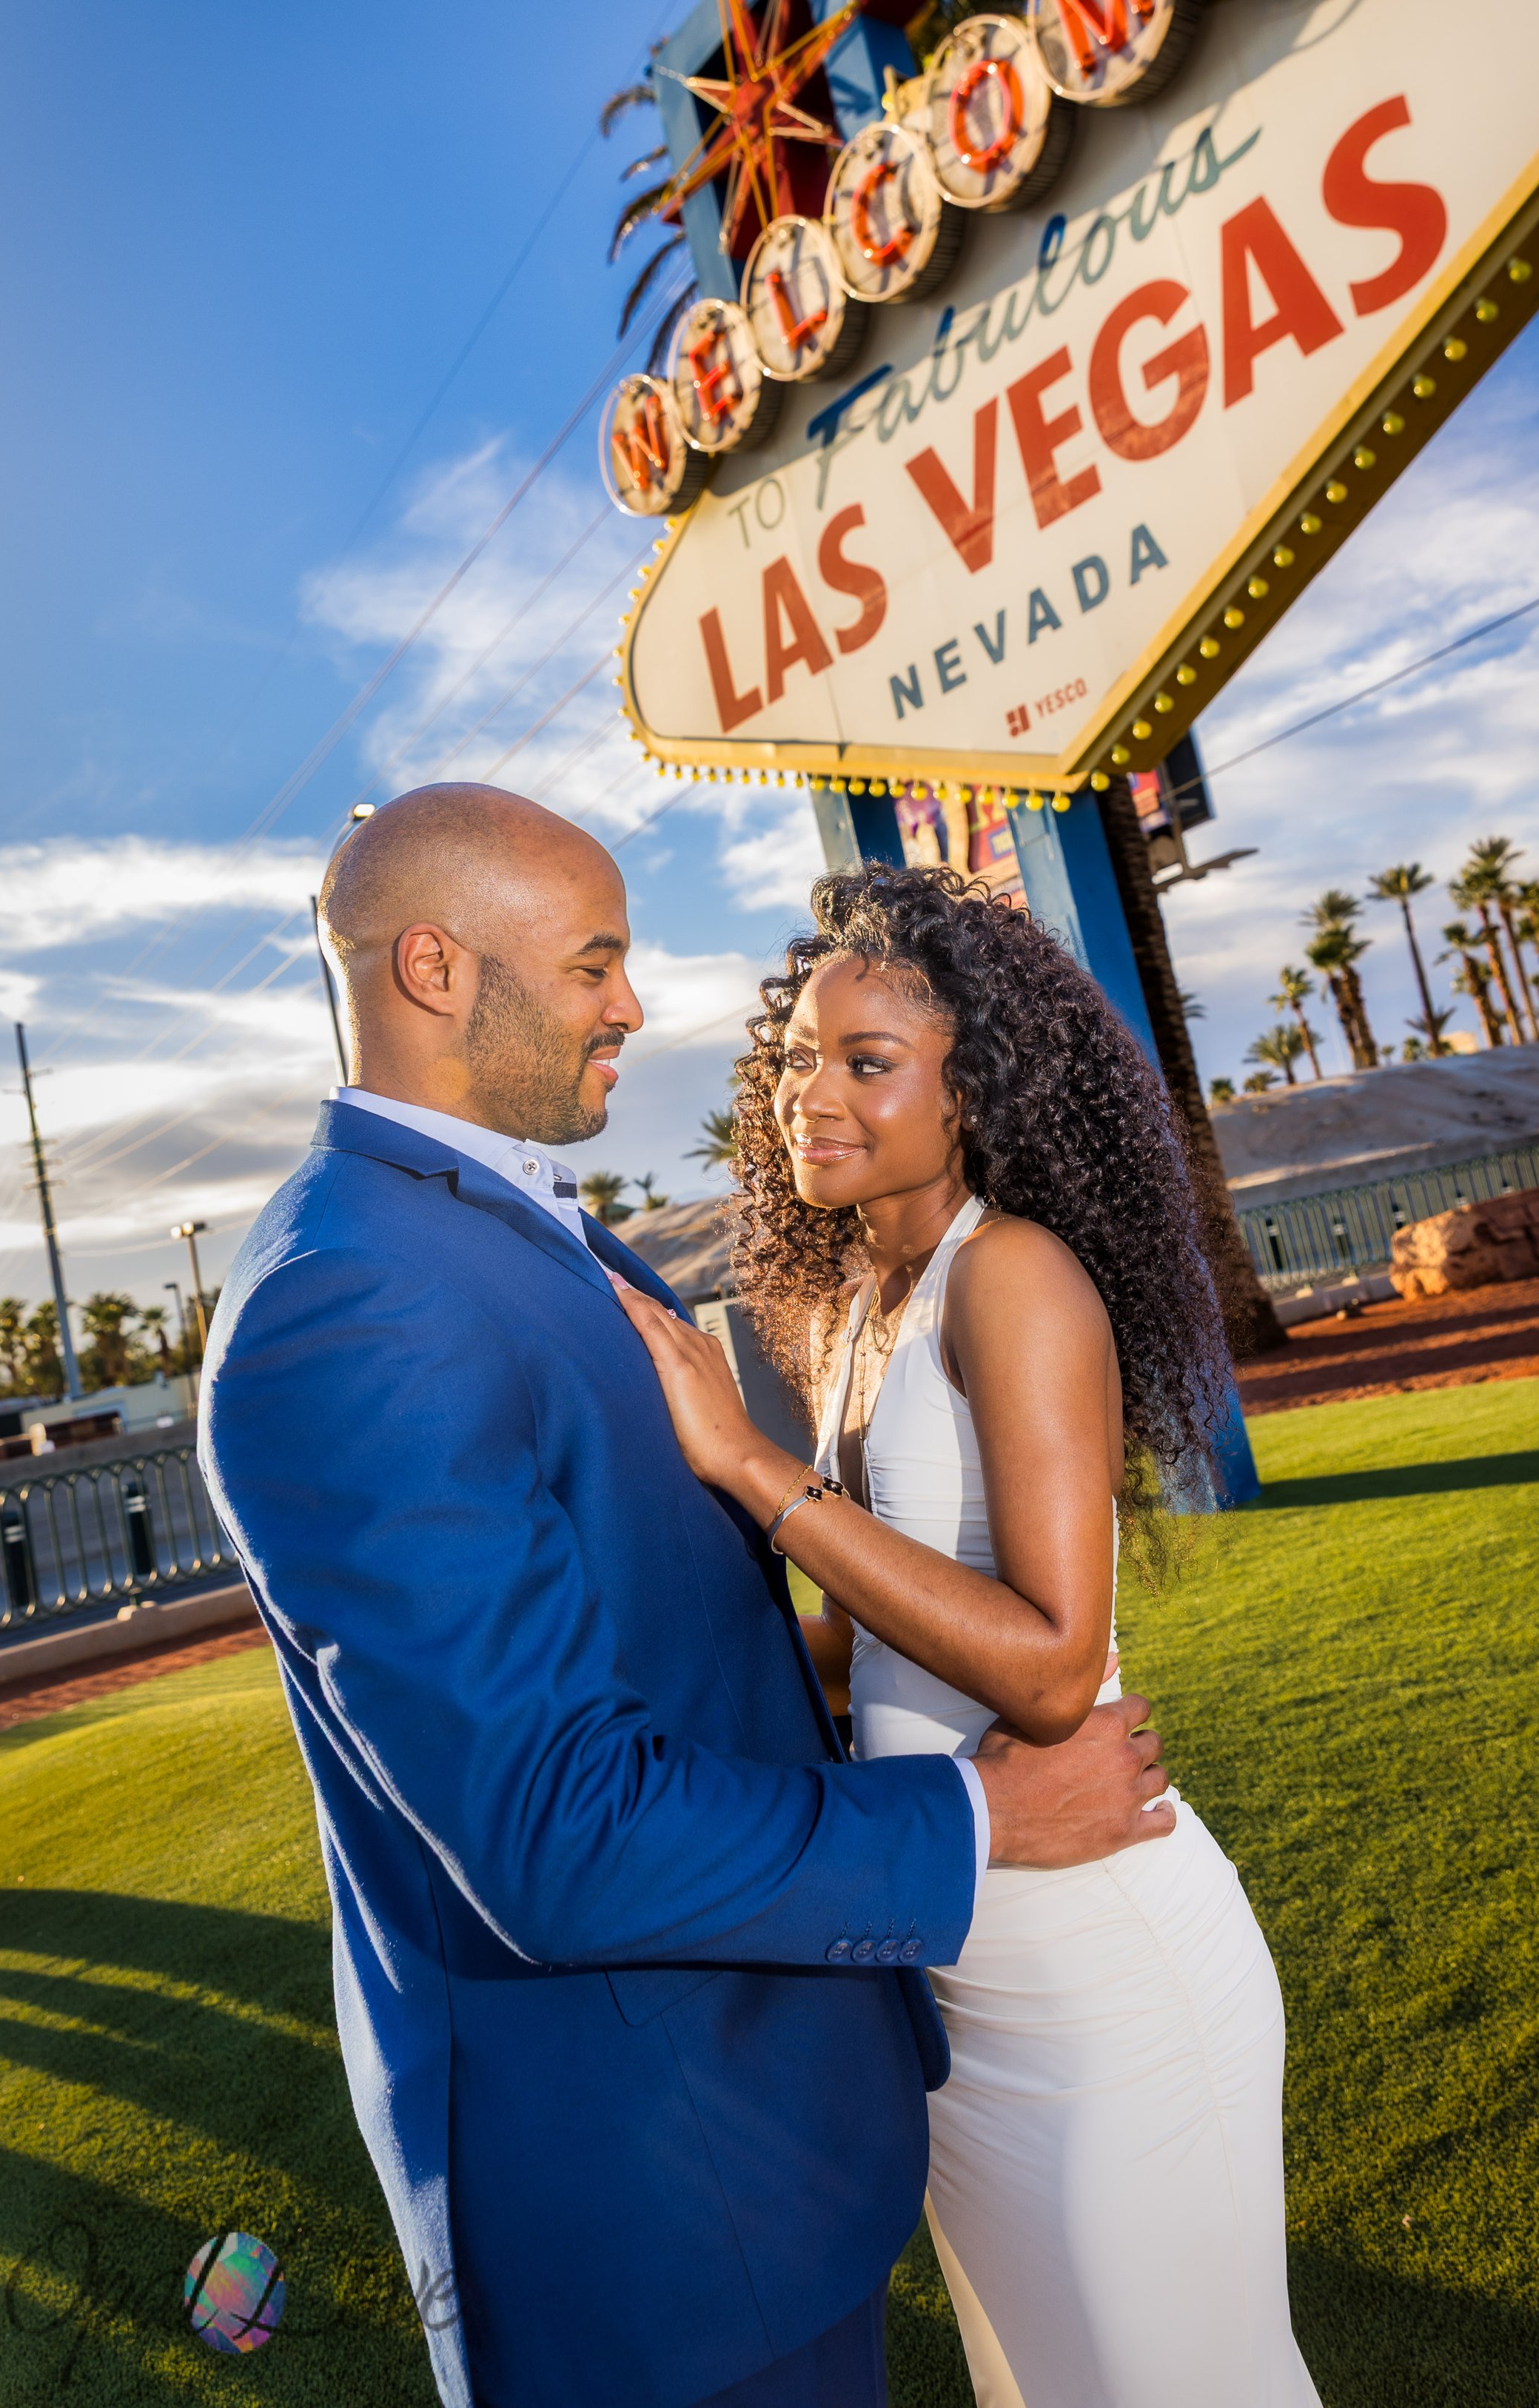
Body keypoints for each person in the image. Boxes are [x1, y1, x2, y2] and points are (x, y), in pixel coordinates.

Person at [198, 786, 1178, 2408]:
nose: (633, 1009)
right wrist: (982, 1823)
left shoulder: (499, 1225)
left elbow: (623, 1610)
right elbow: (555, 1831)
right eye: (593, 966)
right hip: (652, 2202)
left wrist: (844, 1654)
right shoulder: (351, 1299)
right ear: (437, 968)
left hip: (756, 2128)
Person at [617, 862, 1321, 2408]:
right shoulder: (859, 1299)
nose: (812, 1093)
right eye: (801, 1055)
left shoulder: (1011, 1277)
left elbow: (1055, 1666)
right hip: (963, 1976)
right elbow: (884, 1651)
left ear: (973, 1090)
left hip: (1103, 1969)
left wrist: (749, 1468)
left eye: (867, 1064)